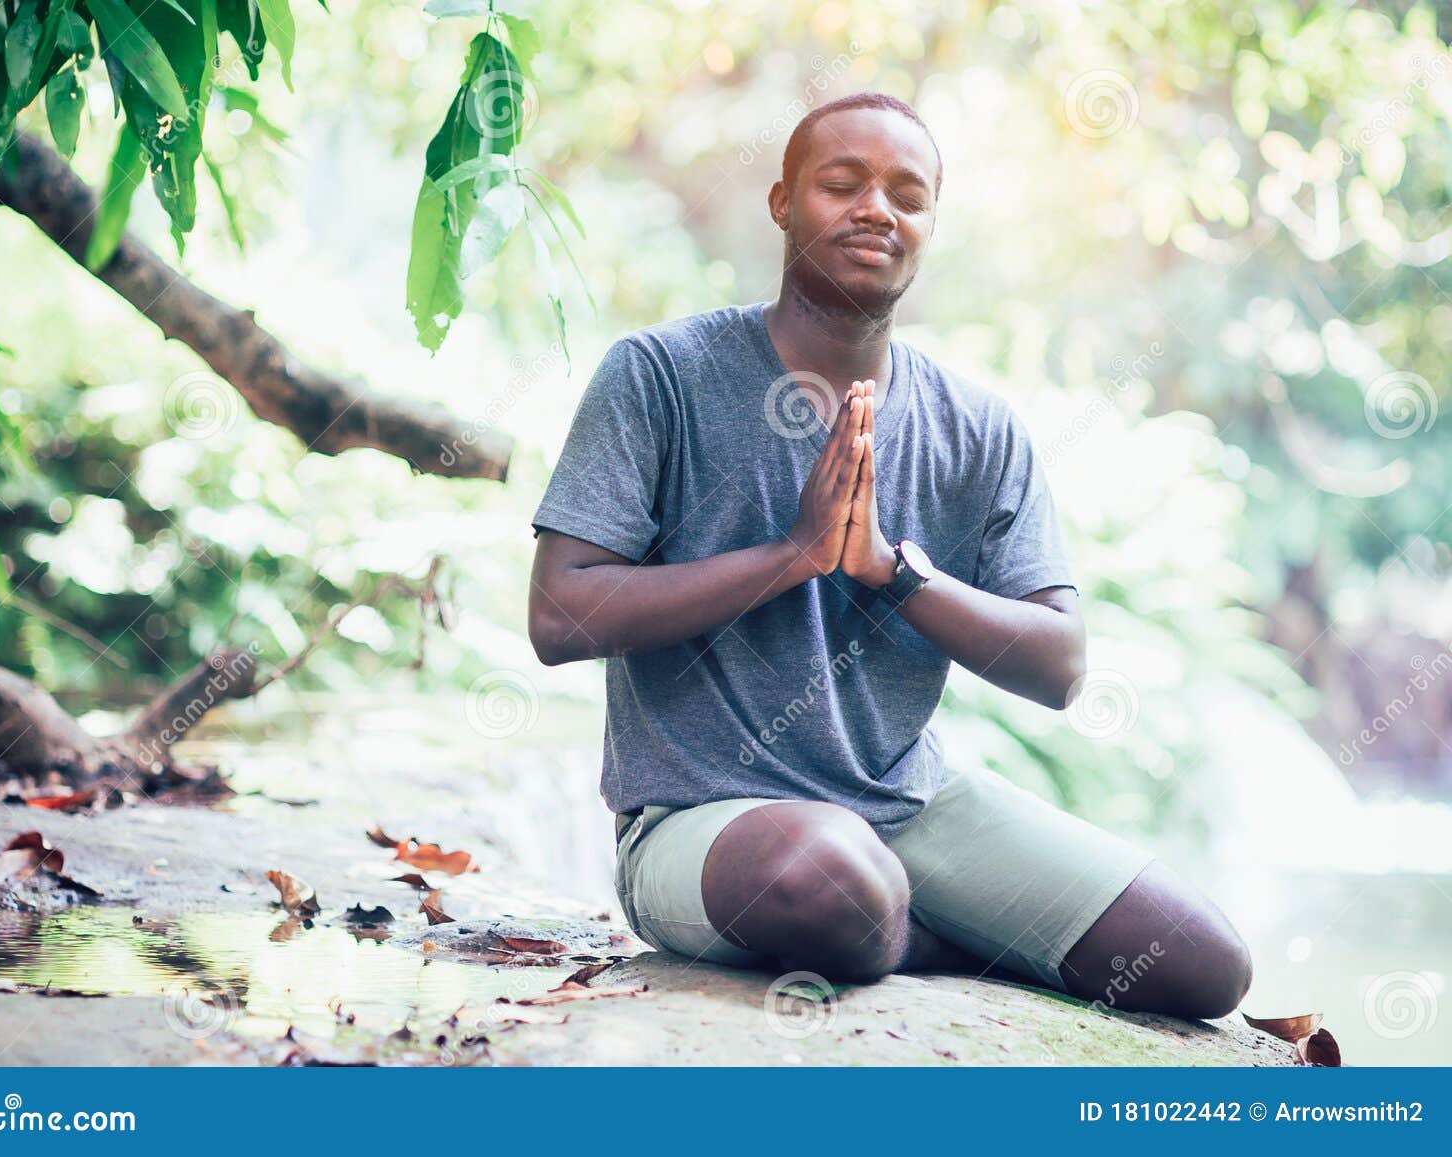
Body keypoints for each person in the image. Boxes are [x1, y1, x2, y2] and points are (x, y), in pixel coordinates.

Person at [526, 92, 1251, 1018]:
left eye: (908, 194)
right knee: (834, 882)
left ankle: (905, 927)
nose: (877, 209)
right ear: (784, 202)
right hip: (702, 824)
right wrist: (790, 554)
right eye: (843, 183)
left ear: (930, 224)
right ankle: (940, 935)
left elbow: (1061, 664)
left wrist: (891, 572)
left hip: (908, 809)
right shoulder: (661, 375)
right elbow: (559, 614)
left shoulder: (976, 428)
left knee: (1201, 961)